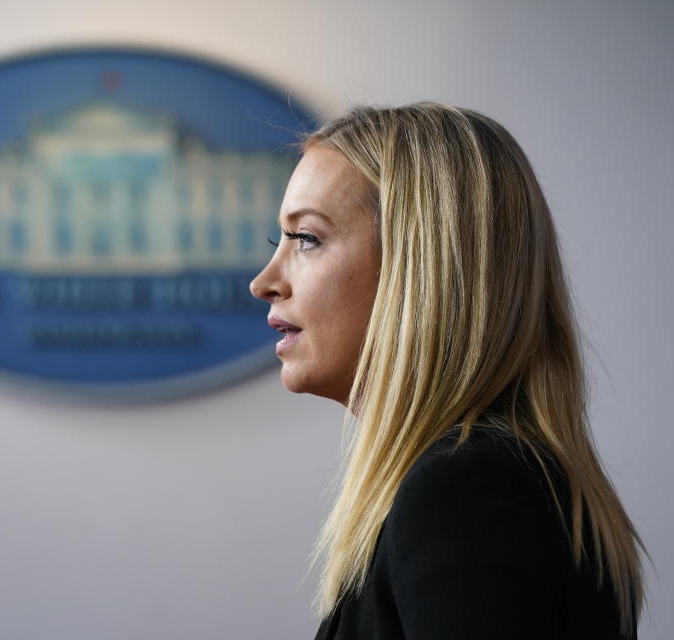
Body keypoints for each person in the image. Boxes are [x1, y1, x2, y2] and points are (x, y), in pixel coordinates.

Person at [249, 103, 645, 639]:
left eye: (307, 239)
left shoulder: (467, 491)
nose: (264, 281)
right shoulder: (488, 480)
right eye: (282, 240)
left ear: (419, 266)